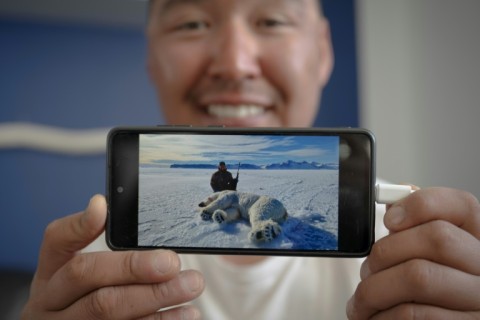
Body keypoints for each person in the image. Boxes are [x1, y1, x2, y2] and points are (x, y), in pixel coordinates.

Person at [22, 0, 480, 319]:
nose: (235, 62)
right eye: (192, 23)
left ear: (322, 51)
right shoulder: (93, 277)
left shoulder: (410, 256)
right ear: (152, 57)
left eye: (273, 20)